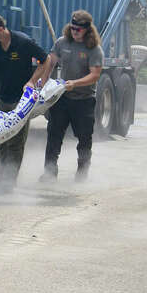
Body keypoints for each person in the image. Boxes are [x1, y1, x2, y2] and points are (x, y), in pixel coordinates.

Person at [0, 12, 49, 193]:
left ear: (1, 30)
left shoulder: (23, 42)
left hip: (22, 101)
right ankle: (0, 178)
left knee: (16, 142)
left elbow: (46, 60)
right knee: (2, 140)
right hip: (4, 99)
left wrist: (32, 82)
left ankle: (9, 182)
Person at [38, 10, 103, 182]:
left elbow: (95, 75)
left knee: (84, 138)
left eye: (78, 30)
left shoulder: (94, 49)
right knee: (53, 135)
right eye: (72, 28)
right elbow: (50, 62)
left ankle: (82, 174)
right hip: (62, 98)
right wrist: (42, 84)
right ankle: (49, 173)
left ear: (87, 30)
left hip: (84, 100)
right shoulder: (62, 42)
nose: (74, 32)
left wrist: (75, 83)